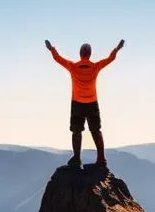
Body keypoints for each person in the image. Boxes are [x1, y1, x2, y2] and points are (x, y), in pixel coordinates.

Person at [45, 39, 125, 167]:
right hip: (92, 103)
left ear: (80, 53)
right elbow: (110, 59)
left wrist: (51, 49)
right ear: (90, 54)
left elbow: (58, 59)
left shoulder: (73, 67)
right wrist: (117, 48)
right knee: (96, 130)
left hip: (77, 103)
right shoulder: (95, 67)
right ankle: (101, 159)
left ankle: (77, 158)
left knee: (76, 131)